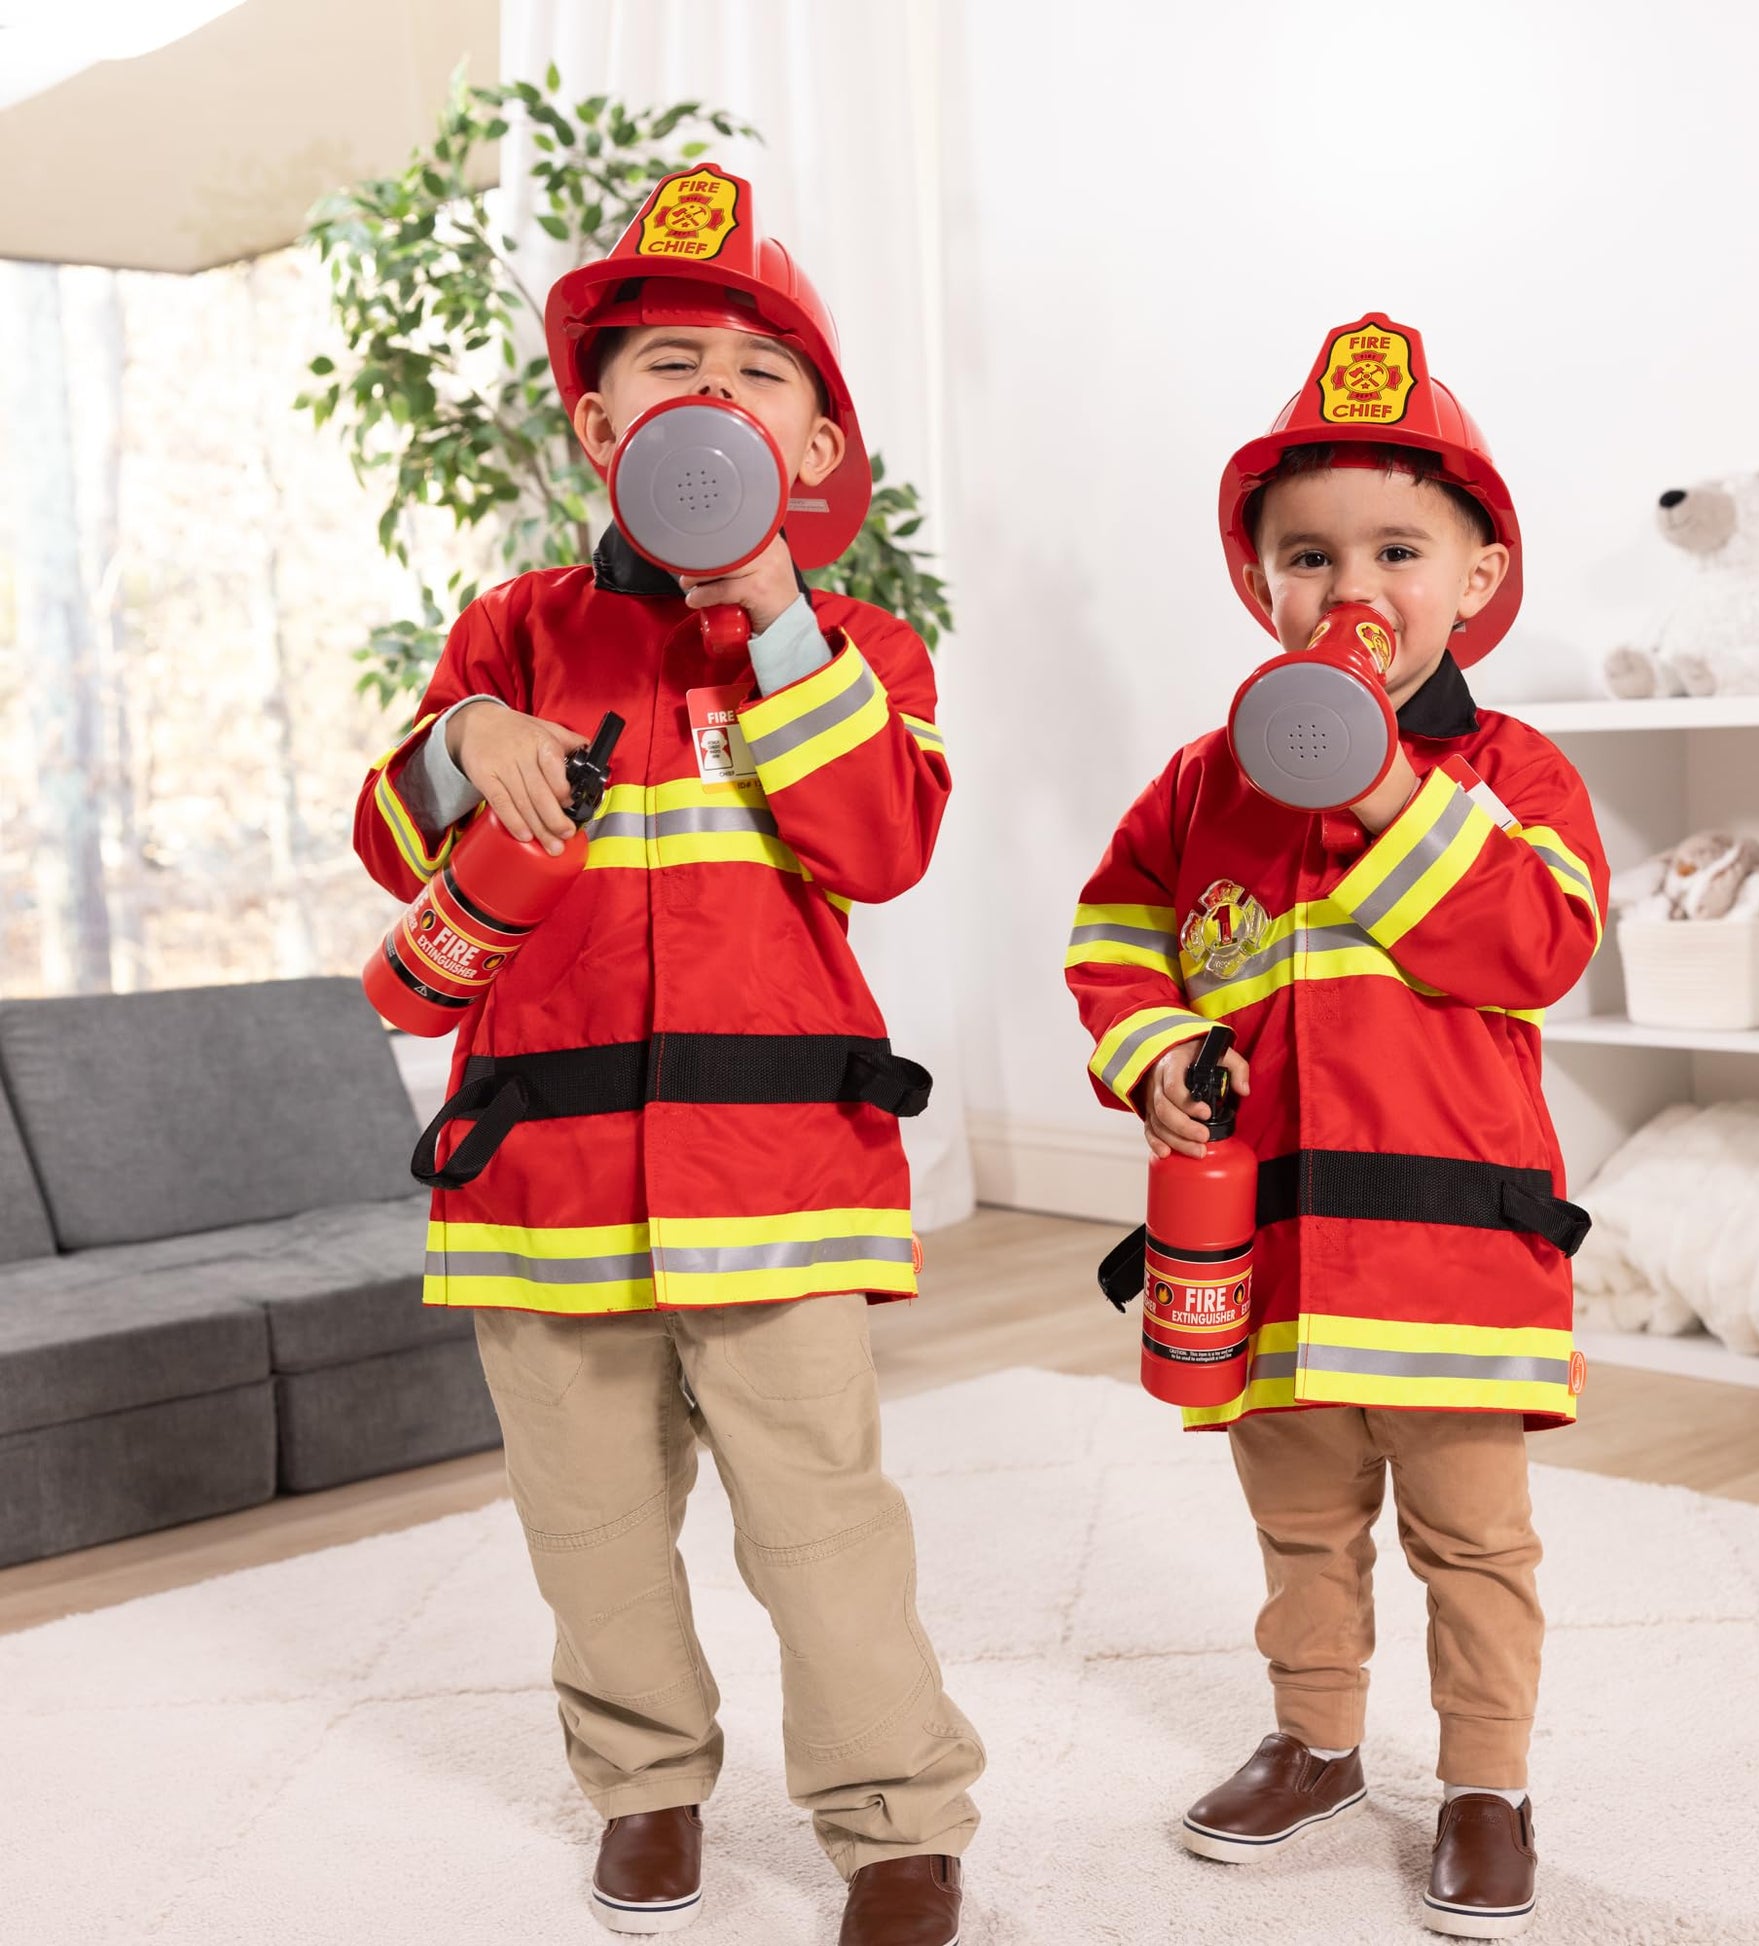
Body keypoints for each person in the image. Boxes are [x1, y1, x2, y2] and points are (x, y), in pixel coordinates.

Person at [352, 163, 980, 1946]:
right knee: (591, 1524)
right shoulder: (511, 631)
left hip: (775, 1180)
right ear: (595, 421)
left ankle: (895, 1818)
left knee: (820, 1517)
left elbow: (880, 844)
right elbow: (390, 844)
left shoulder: (858, 646)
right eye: (669, 364)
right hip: (541, 1181)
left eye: (759, 374)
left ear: (812, 447)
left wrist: (775, 616)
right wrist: (466, 736)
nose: (713, 395)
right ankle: (644, 1785)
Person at [1065, 312, 1608, 1939]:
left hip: (1453, 1258)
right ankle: (1313, 1739)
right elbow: (1114, 928)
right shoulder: (1201, 782)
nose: (1349, 588)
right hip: (1267, 1250)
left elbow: (1538, 944)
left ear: (1475, 578)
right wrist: (1155, 1049)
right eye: (1309, 556)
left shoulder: (1511, 773)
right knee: (1297, 1520)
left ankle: (1486, 1782)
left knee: (1471, 1540)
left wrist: (1380, 790)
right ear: (1262, 585)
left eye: (1395, 551)